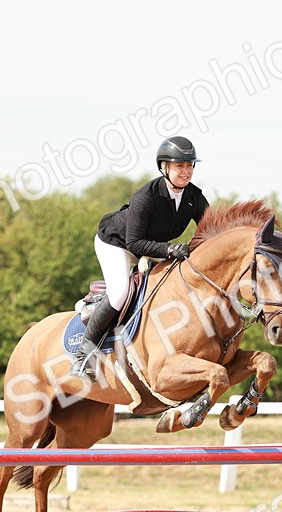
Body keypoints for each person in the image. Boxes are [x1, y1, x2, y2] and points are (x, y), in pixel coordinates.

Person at [69, 135, 211, 379]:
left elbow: (209, 231)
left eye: (189, 166)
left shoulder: (194, 197)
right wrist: (169, 250)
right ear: (164, 167)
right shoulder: (146, 196)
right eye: (180, 165)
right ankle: (84, 355)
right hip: (117, 243)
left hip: (151, 248)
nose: (186, 171)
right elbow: (134, 242)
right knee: (121, 291)